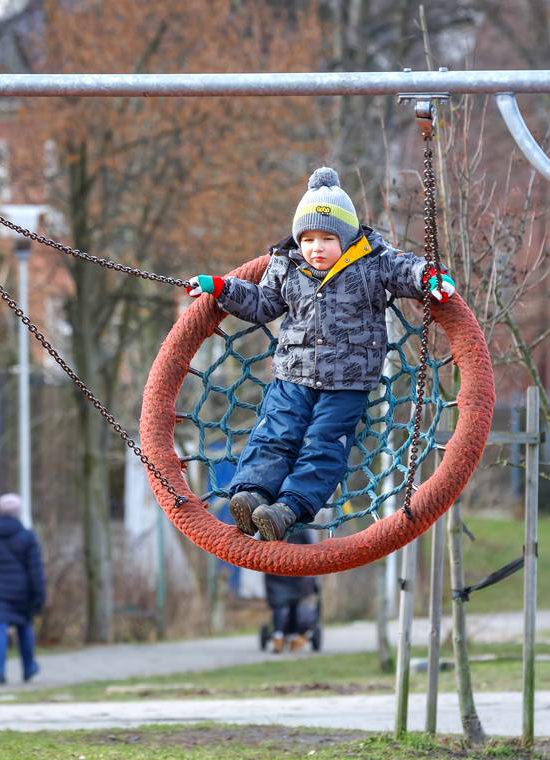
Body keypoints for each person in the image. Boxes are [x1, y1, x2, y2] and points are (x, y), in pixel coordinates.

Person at [188, 166, 456, 542]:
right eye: (308, 238)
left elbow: (406, 268)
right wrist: (223, 288)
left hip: (347, 384)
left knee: (322, 446)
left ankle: (288, 508)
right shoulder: (287, 263)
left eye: (327, 238)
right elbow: (263, 303)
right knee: (274, 434)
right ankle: (251, 493)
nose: (316, 248)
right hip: (292, 375)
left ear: (345, 238)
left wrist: (429, 278)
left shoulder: (372, 260)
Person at [0, 493, 44, 685]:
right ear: (18, 512)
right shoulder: (27, 537)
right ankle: (28, 668)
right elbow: (35, 570)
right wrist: (39, 595)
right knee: (24, 626)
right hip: (21, 591)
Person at [264, 528, 320, 651]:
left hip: (275, 572)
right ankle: (294, 636)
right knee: (294, 605)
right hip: (295, 572)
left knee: (278, 606)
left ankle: (278, 635)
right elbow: (311, 549)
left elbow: (259, 547)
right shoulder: (300, 529)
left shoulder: (269, 525)